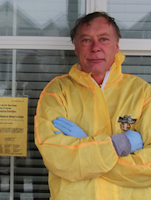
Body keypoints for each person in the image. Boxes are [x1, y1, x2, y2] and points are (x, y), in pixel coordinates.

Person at [35, 11, 151, 200]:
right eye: (86, 40)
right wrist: (118, 146)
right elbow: (57, 157)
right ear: (76, 48)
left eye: (104, 39)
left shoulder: (142, 92)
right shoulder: (57, 92)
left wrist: (87, 154)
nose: (95, 48)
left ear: (116, 46)